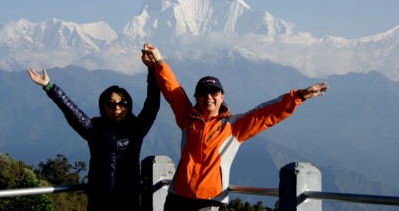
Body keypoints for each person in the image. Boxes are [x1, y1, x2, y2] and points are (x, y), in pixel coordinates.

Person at [141, 43, 329, 211]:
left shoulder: (234, 126)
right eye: (203, 93)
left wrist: (298, 96)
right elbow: (173, 91)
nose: (209, 97)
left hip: (209, 202)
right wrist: (159, 60)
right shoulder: (187, 118)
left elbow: (265, 114)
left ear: (222, 96)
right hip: (176, 198)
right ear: (196, 97)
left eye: (214, 92)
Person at [27, 52, 160, 211]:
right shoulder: (94, 129)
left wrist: (152, 70)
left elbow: (152, 104)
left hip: (128, 201)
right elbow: (71, 111)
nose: (117, 108)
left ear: (128, 105)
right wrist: (49, 86)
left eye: (122, 103)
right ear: (103, 106)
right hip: (100, 202)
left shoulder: (137, 128)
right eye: (111, 104)